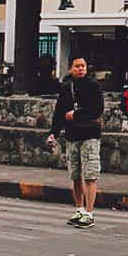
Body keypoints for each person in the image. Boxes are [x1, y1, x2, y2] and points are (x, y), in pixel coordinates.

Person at [46, 56, 103, 229]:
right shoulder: (66, 87)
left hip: (90, 135)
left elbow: (97, 109)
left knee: (90, 175)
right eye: (77, 66)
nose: (81, 69)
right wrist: (53, 133)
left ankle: (89, 212)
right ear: (71, 68)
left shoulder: (93, 86)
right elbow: (59, 112)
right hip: (72, 135)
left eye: (83, 66)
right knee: (75, 175)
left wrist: (77, 114)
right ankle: (79, 209)